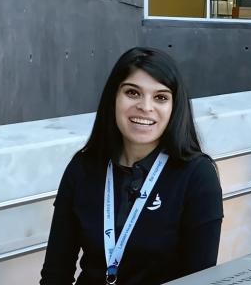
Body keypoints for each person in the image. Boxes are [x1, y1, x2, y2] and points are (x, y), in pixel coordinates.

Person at [40, 47, 223, 284]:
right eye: (133, 93)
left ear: (174, 108)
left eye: (160, 97)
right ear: (113, 98)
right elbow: (56, 273)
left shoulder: (197, 175)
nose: (146, 107)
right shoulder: (83, 167)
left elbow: (200, 279)